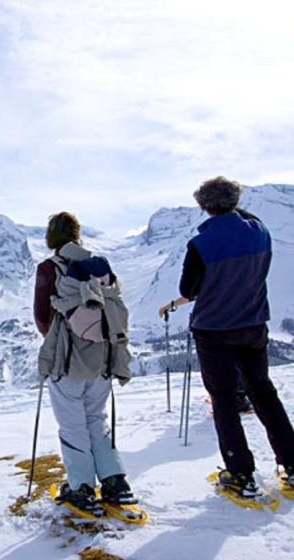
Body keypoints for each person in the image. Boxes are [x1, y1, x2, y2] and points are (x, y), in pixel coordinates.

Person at [158, 176, 294, 498]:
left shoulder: (200, 244)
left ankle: (240, 473)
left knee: (223, 398)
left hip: (215, 330)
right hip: (254, 323)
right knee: (263, 392)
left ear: (204, 206)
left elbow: (188, 290)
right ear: (236, 201)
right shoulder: (259, 232)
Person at [35, 212, 135, 517]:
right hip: (103, 359)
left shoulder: (50, 269)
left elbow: (42, 317)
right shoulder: (100, 268)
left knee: (73, 424)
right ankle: (116, 482)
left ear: (51, 238)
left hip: (67, 361)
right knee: (96, 420)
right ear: (78, 236)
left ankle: (80, 488)